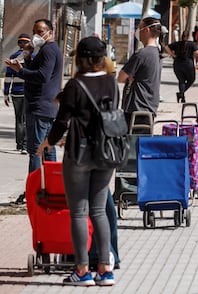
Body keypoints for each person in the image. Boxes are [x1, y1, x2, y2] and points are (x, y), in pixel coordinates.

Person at [37, 36, 118, 286]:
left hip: (79, 153)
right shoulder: (111, 83)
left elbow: (62, 122)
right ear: (102, 59)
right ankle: (105, 269)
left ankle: (82, 270)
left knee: (79, 213)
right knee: (99, 212)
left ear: (81, 59)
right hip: (106, 153)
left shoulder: (75, 85)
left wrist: (48, 142)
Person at [5, 19, 63, 204]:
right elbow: (38, 71)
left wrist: (20, 71)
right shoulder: (46, 50)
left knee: (36, 151)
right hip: (45, 106)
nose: (36, 35)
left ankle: (34, 192)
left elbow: (42, 76)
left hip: (40, 107)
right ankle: (52, 189)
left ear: (50, 32)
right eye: (34, 31)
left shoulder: (48, 50)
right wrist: (28, 59)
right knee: (47, 150)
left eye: (40, 31)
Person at [117, 17, 164, 128]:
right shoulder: (158, 53)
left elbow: (121, 77)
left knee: (132, 143)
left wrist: (130, 77)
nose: (137, 32)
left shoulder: (141, 54)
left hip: (136, 107)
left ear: (146, 30)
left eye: (139, 28)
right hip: (150, 106)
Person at [3, 33, 32, 155]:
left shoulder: (12, 57)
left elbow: (8, 78)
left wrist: (6, 94)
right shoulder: (33, 57)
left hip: (15, 93)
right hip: (28, 92)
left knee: (18, 119)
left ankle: (19, 144)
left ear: (18, 44)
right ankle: (25, 145)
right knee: (25, 119)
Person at [165, 31, 198, 103]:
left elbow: (166, 47)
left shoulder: (177, 44)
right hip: (188, 65)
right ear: (189, 36)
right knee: (191, 80)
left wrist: (172, 55)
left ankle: (182, 96)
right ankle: (181, 94)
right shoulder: (191, 44)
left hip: (177, 64)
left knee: (181, 80)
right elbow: (197, 52)